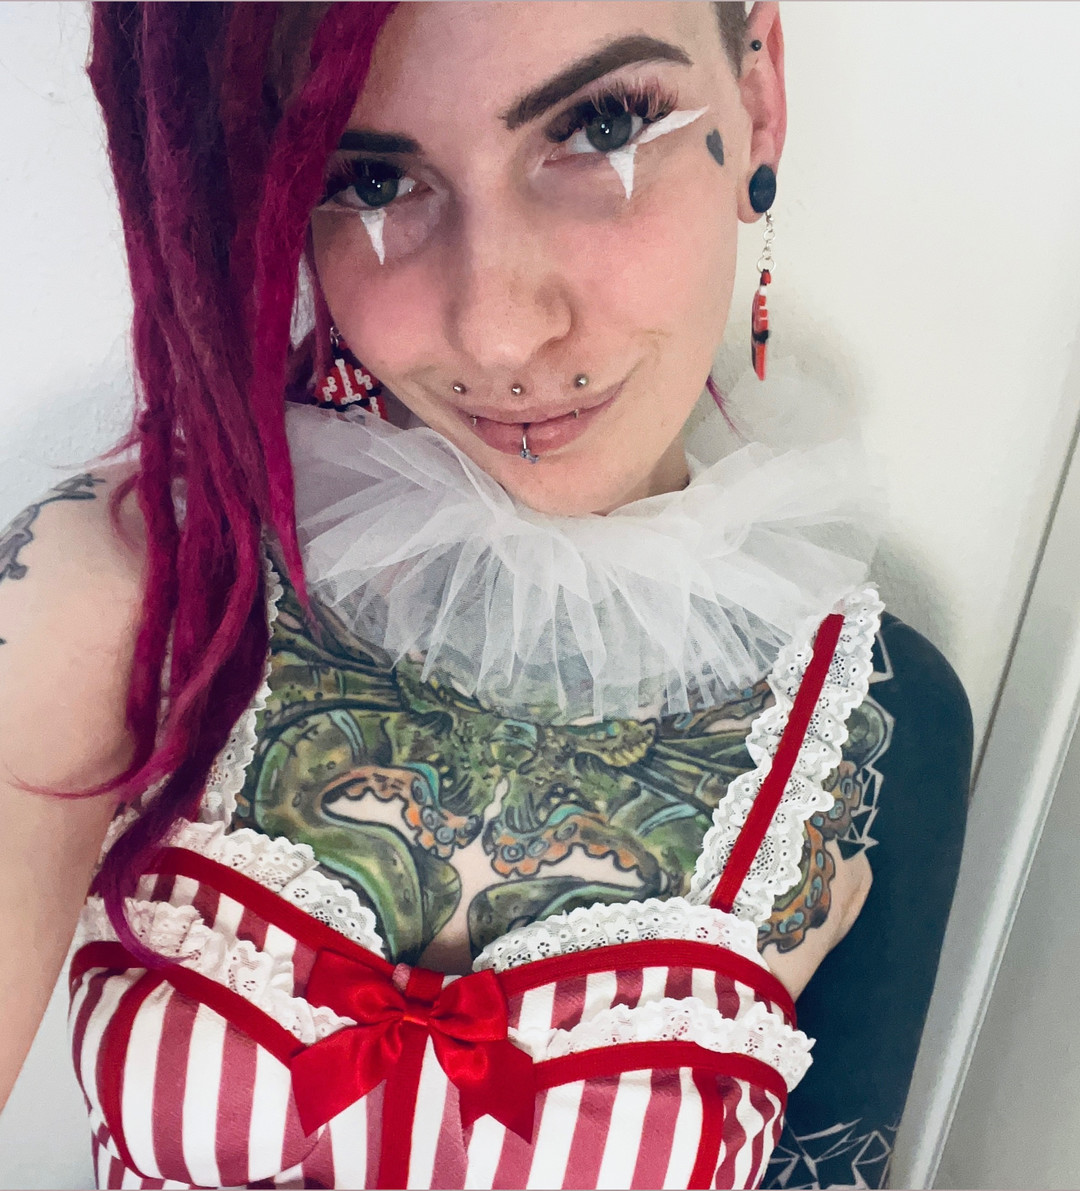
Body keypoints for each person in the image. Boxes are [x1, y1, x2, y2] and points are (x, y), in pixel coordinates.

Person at [0, 3, 971, 1187]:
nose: (501, 331)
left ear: (758, 98)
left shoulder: (877, 728)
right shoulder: (127, 577)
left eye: (603, 126)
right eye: (368, 179)